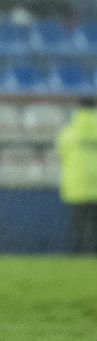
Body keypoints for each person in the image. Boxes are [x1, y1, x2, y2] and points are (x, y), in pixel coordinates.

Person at [56, 96, 97, 253]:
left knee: (81, 226)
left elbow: (62, 154)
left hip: (78, 185)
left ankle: (79, 254)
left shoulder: (69, 133)